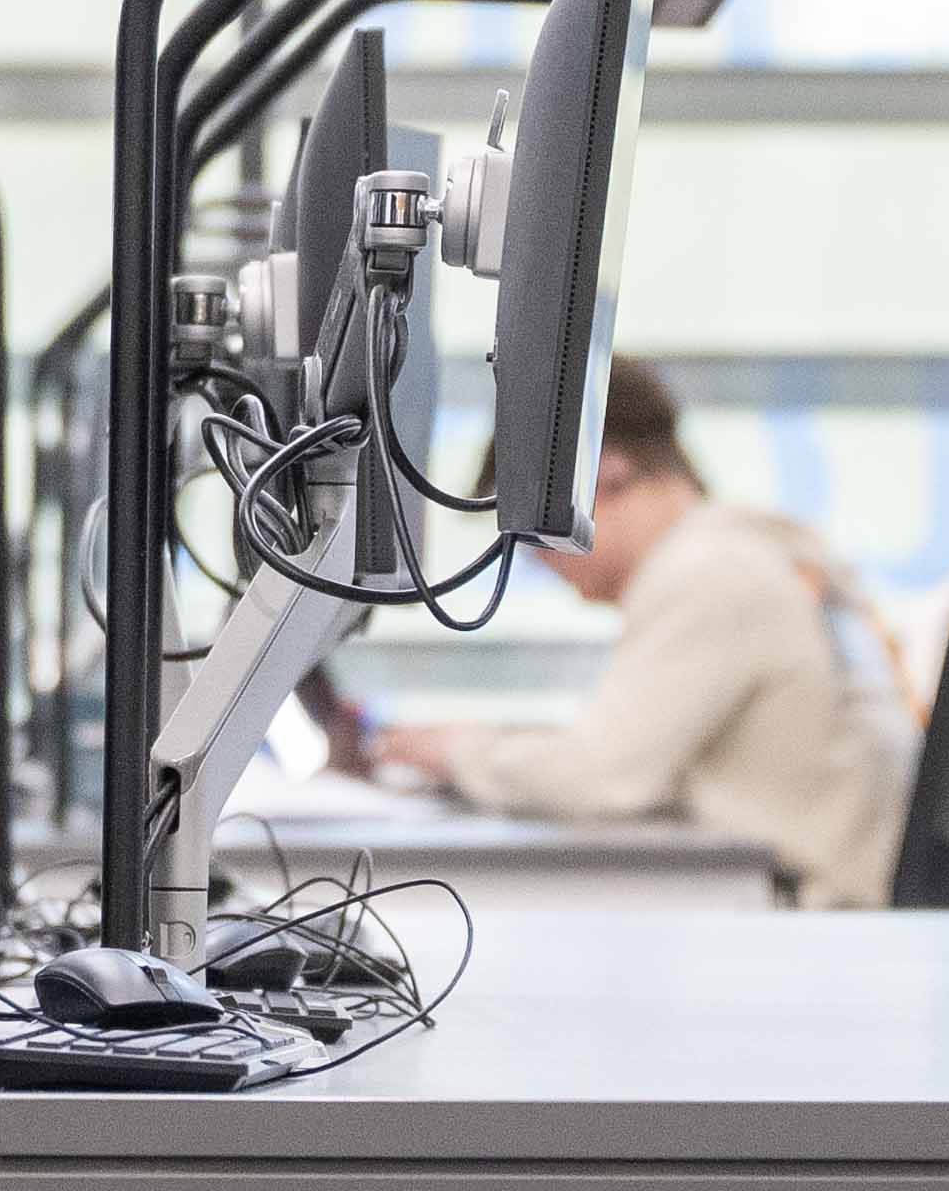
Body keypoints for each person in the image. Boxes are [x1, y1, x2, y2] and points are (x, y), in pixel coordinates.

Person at [362, 358, 917, 904]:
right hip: (813, 893)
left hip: (801, 917)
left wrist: (452, 752)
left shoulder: (706, 575)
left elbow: (602, 778)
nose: (540, 563)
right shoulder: (749, 552)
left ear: (603, 473)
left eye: (533, 535)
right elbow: (624, 754)